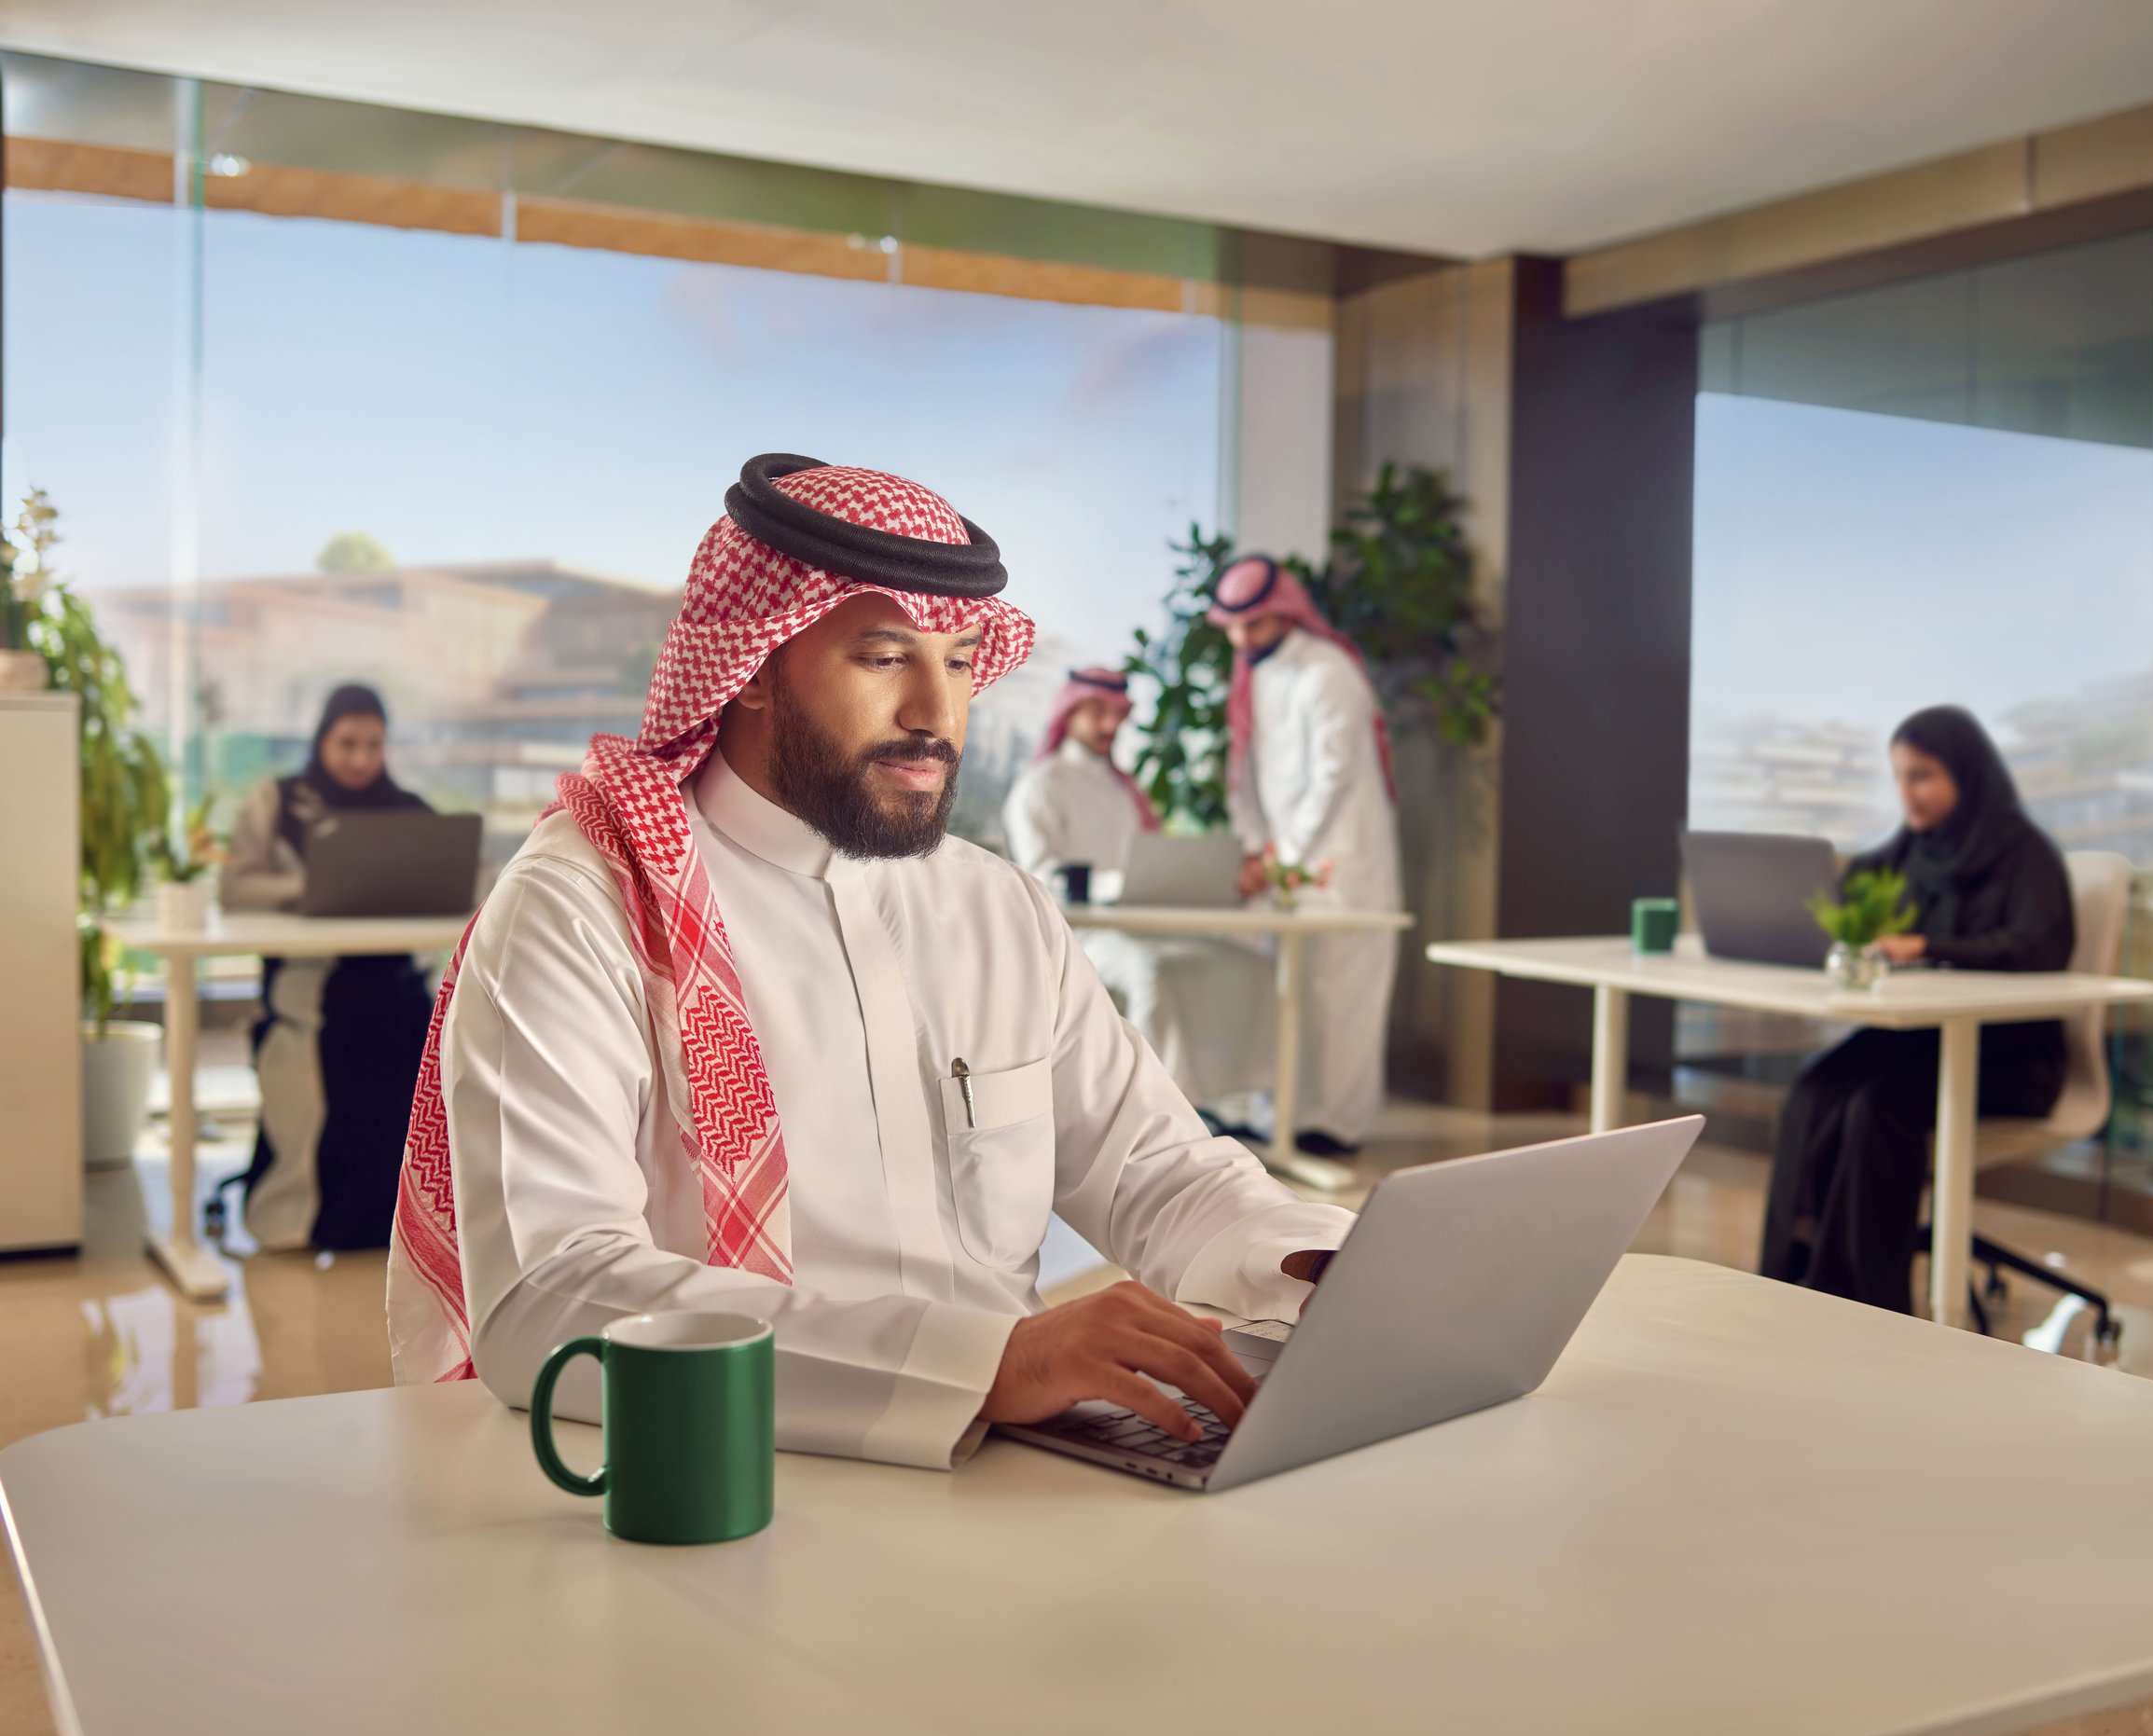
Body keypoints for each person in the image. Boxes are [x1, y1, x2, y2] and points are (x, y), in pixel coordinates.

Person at [389, 454, 1352, 1468]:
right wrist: (984, 1365)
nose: (937, 713)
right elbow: (549, 1294)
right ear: (754, 665)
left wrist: (1315, 1261)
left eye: (963, 660)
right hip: (716, 1486)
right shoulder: (582, 905)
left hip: (1017, 1482)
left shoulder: (997, 907)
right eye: (885, 658)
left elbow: (1156, 1174)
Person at [1758, 705, 2074, 1315]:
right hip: (1914, 1046)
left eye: (1923, 775)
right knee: (1813, 1093)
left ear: (1967, 773)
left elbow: (2040, 945)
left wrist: (1928, 946)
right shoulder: (1909, 854)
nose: (1908, 792)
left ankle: (1865, 1308)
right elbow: (1853, 897)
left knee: (1876, 1108)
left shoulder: (2026, 854)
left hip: (2009, 1058)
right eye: (1899, 776)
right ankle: (1787, 1284)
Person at [218, 683, 436, 1252]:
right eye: (348, 743)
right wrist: (314, 886)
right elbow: (234, 886)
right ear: (322, 739)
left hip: (395, 990)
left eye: (373, 744)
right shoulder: (280, 801)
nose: (362, 759)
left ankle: (401, 1229)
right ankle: (298, 1225)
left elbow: (461, 875)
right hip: (309, 989)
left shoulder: (408, 810)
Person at [1001, 667, 1275, 1121]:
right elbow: (1038, 879)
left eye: (1119, 715)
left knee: (1245, 964)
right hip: (1075, 934)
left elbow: (1154, 865)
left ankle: (1228, 1106)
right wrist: (1114, 885)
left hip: (1141, 925)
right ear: (1069, 712)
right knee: (1152, 971)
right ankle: (1154, 1117)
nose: (1111, 725)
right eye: (1098, 712)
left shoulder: (1124, 789)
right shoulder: (1041, 785)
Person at [1207, 555, 1401, 1155]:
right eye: (1233, 628)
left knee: (1339, 998)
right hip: (1283, 864)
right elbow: (1248, 772)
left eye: (1254, 626)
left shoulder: (1328, 670)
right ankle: (1276, 1118)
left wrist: (1285, 855)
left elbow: (1333, 777)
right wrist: (1256, 849)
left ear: (1284, 614)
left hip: (1341, 862)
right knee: (1285, 992)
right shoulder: (1258, 675)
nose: (1242, 639)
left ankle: (1333, 1128)